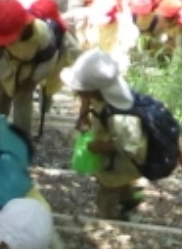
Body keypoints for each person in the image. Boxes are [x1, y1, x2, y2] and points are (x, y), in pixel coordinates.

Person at [60, 50, 146, 219]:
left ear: (93, 90)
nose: (76, 93)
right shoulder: (103, 93)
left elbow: (131, 146)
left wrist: (100, 146)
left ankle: (110, 219)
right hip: (112, 157)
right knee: (115, 181)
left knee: (107, 194)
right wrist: (84, 113)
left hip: (122, 161)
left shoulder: (121, 115)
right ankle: (130, 197)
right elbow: (87, 99)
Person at [0, 0, 66, 138]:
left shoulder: (42, 35)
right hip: (5, 65)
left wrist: (32, 80)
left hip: (27, 74)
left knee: (22, 106)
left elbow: (49, 61)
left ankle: (21, 139)